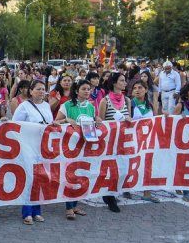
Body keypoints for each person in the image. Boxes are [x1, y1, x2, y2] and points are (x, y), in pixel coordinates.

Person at [54, 79, 100, 218]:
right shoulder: (67, 105)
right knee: (70, 176)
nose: (87, 91)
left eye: (88, 89)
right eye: (84, 89)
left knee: (81, 175)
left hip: (85, 146)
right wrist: (66, 120)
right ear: (76, 90)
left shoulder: (91, 107)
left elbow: (93, 123)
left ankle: (75, 205)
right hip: (70, 147)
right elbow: (55, 122)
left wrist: (97, 121)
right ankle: (69, 207)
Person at [12, 80, 52, 225]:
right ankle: (27, 212)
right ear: (31, 91)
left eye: (43, 89)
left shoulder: (46, 105)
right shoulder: (24, 106)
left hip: (42, 147)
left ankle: (37, 211)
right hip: (28, 147)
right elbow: (14, 126)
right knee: (29, 178)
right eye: (38, 89)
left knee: (39, 179)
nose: (41, 92)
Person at [98, 73, 132, 213]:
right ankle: (109, 196)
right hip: (110, 141)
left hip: (123, 140)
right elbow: (101, 121)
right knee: (110, 169)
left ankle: (112, 192)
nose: (125, 83)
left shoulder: (127, 100)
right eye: (122, 80)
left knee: (123, 168)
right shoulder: (105, 101)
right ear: (114, 83)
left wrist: (128, 120)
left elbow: (130, 118)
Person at [171, 83, 189, 203]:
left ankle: (180, 186)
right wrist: (179, 119)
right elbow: (171, 122)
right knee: (183, 165)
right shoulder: (180, 105)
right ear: (186, 93)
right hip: (182, 141)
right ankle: (186, 192)